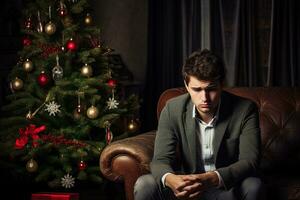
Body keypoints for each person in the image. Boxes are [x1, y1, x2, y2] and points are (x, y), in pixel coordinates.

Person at [134, 49, 264, 200]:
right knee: (144, 184)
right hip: (186, 186)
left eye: (211, 89)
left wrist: (211, 178)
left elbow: (250, 161)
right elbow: (160, 160)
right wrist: (171, 179)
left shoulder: (245, 109)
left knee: (254, 185)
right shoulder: (172, 109)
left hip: (226, 185)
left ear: (222, 84)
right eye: (197, 89)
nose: (205, 98)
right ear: (186, 86)